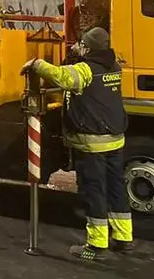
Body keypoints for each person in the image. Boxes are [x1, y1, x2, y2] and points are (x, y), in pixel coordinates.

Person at [22, 26, 133, 261]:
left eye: (82, 44)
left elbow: (63, 77)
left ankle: (96, 244)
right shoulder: (114, 67)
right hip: (114, 140)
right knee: (116, 188)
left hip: (92, 143)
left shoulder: (85, 70)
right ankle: (123, 238)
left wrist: (36, 64)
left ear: (88, 47)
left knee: (95, 191)